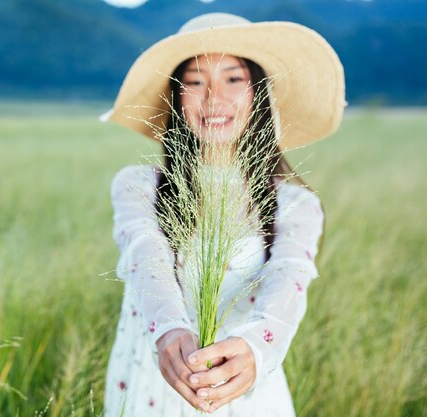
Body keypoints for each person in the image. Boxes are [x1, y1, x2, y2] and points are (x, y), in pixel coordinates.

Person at [100, 13, 345, 417]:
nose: (214, 98)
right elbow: (147, 257)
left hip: (246, 392)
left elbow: (289, 277)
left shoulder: (295, 205)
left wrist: (255, 349)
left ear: (257, 93)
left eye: (233, 79)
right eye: (195, 82)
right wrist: (169, 332)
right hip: (151, 383)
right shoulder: (138, 186)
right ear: (177, 96)